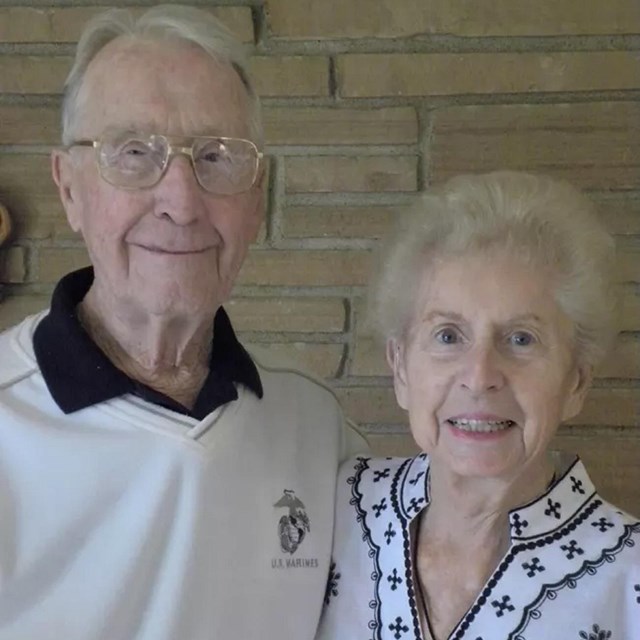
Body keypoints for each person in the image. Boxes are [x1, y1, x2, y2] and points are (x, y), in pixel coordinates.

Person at [0, 5, 365, 639]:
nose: (181, 201)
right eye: (135, 152)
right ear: (68, 188)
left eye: (217, 157)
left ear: (257, 198)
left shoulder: (320, 435)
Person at [317, 171, 640, 639]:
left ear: (576, 381)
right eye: (448, 335)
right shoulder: (333, 510)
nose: (480, 376)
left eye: (521, 339)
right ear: (401, 366)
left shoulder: (627, 577)